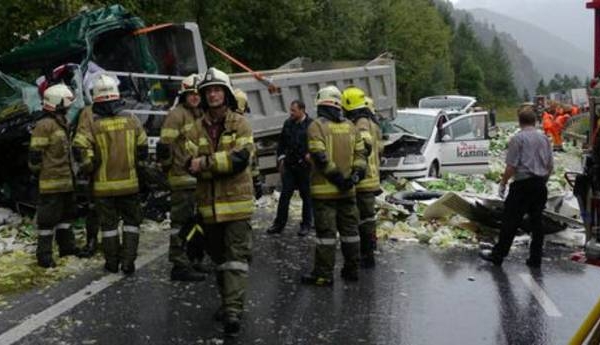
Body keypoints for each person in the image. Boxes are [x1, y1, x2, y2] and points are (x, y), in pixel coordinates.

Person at [188, 67, 255, 336]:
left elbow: (240, 160)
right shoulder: (195, 128)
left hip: (237, 205)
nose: (213, 94)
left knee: (235, 259)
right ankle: (228, 301)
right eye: (209, 90)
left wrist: (205, 163)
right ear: (203, 96)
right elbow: (187, 164)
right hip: (208, 206)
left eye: (217, 89)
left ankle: (233, 312)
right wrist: (210, 164)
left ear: (225, 94)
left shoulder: (240, 123)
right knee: (218, 260)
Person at [73, 75, 148, 274]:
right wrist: (138, 166)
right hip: (130, 185)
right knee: (132, 224)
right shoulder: (132, 119)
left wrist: (89, 166)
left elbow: (79, 146)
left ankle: (112, 263)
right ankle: (128, 262)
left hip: (103, 187)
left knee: (109, 227)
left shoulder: (94, 125)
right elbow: (143, 146)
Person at [301, 85, 366, 286]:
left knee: (326, 236)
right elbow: (361, 155)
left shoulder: (316, 126)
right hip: (349, 192)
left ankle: (323, 275)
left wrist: (339, 179)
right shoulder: (351, 126)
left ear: (321, 103)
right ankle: (352, 270)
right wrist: (354, 177)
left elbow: (320, 157)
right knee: (350, 233)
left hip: (325, 193)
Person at [479, 105, 553, 268]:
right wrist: (542, 181)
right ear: (535, 121)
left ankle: (498, 255)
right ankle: (535, 258)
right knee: (537, 223)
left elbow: (511, 166)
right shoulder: (544, 139)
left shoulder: (517, 139)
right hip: (540, 185)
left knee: (510, 221)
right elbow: (549, 166)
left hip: (522, 185)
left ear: (519, 121)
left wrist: (503, 183)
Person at [157, 74, 206, 281]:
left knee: (199, 222)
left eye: (197, 94)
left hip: (200, 178)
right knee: (181, 223)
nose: (194, 97)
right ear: (184, 95)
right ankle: (179, 264)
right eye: (190, 94)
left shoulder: (202, 115)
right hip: (181, 178)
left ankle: (194, 258)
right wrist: (169, 169)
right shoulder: (176, 115)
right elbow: (164, 146)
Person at [29, 84, 81, 268]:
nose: (68, 106)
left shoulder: (61, 122)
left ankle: (67, 248)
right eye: (66, 103)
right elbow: (35, 156)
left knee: (66, 218)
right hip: (51, 183)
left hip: (65, 181)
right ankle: (44, 256)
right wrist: (41, 174)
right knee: (47, 222)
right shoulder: (44, 125)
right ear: (57, 103)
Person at [341, 87, 382, 268]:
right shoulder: (372, 123)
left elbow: (364, 147)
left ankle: (365, 255)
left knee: (361, 219)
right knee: (368, 218)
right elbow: (379, 149)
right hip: (372, 178)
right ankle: (369, 250)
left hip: (363, 180)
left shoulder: (361, 123)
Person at [266, 100, 313, 236]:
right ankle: (278, 224)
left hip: (305, 167)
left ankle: (306, 225)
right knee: (285, 196)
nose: (291, 113)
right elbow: (281, 144)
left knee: (306, 196)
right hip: (290, 167)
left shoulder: (311, 125)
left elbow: (317, 143)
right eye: (290, 110)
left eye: (294, 110)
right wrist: (280, 158)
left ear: (302, 110)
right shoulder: (288, 124)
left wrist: (311, 156)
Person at [233, 88, 263, 200]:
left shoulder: (221, 121)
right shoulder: (243, 124)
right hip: (242, 180)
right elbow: (251, 156)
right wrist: (257, 181)